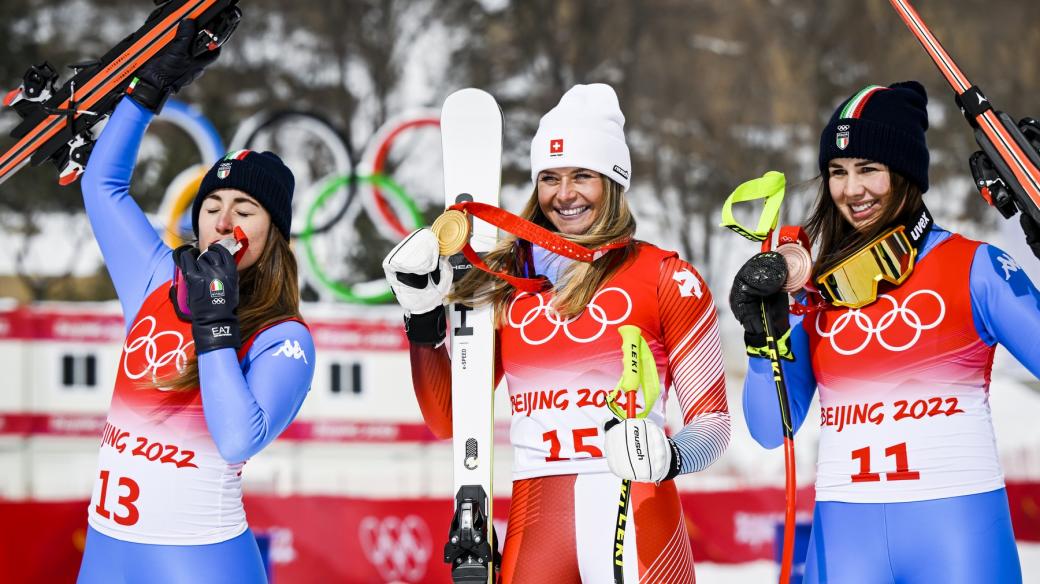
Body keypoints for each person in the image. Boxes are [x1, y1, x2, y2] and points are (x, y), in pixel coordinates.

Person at [384, 84, 729, 583]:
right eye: (549, 178)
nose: (563, 194)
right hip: (538, 516)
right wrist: (421, 321)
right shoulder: (504, 283)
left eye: (581, 176)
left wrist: (670, 455)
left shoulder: (665, 277)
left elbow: (714, 424)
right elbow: (449, 420)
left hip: (636, 510)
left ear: (613, 182)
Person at [730, 81, 1039, 583]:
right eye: (837, 171)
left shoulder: (974, 267)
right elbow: (769, 429)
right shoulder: (817, 291)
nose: (852, 190)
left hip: (959, 541)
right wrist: (764, 334)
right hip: (845, 546)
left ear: (906, 172)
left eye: (869, 169)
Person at [76, 20, 315, 584]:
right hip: (108, 547)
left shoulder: (285, 337)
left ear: (272, 232)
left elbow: (237, 438)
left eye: (245, 209)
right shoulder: (157, 277)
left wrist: (215, 321)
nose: (224, 220)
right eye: (213, 205)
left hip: (199, 558)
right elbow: (101, 187)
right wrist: (147, 90)